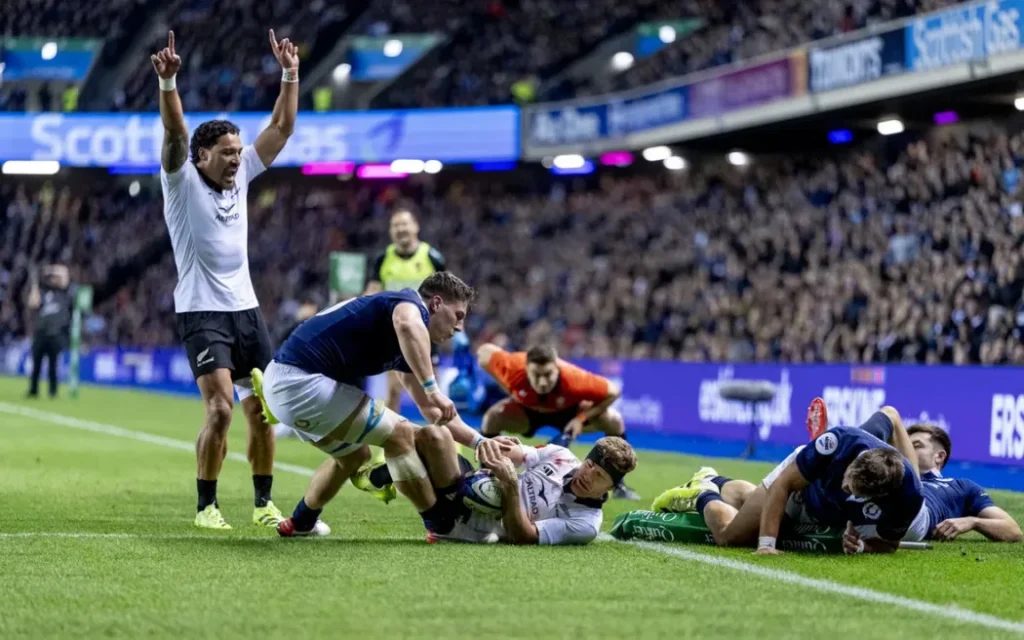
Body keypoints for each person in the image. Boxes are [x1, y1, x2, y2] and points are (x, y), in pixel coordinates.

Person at [152, 29, 299, 529]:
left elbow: (281, 127)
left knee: (263, 411)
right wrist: (169, 85)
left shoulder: (241, 178)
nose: (238, 158)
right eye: (229, 152)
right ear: (203, 157)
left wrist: (289, 73)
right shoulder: (181, 182)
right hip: (201, 312)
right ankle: (206, 507)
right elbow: (174, 135)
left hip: (246, 311)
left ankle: (263, 504)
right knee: (220, 411)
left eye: (239, 151)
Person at [254, 272, 514, 538]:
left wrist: (480, 442)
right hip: (302, 381)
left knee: (354, 457)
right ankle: (443, 525)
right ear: (436, 304)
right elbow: (407, 324)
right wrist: (433, 389)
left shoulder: (407, 344)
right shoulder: (408, 305)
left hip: (286, 387)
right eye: (458, 315)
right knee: (400, 435)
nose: (459, 328)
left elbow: (435, 411)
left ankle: (301, 522)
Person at [653, 400, 924, 554]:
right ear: (857, 459)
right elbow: (783, 484)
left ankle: (719, 482)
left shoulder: (909, 497)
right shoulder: (839, 441)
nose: (844, 486)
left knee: (760, 506)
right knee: (731, 536)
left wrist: (863, 545)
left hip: (827, 507)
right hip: (798, 483)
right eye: (846, 478)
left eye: (851, 489)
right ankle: (703, 491)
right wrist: (767, 544)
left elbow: (889, 544)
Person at [360, 427, 637, 545]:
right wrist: (500, 448)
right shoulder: (562, 455)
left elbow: (523, 537)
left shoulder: (586, 523)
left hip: (465, 526)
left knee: (419, 456)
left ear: (610, 488)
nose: (588, 475)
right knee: (435, 434)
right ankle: (400, 471)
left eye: (599, 475)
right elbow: (517, 455)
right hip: (473, 485)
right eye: (590, 465)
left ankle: (393, 474)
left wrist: (510, 484)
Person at [476, 342, 640, 500]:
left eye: (548, 374)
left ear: (557, 368)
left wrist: (581, 419)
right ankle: (485, 476)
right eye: (536, 375)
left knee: (613, 420)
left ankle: (619, 486)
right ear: (526, 370)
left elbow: (613, 391)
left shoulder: (574, 378)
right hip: (527, 412)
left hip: (568, 413)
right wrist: (506, 384)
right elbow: (484, 351)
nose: (542, 382)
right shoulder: (513, 367)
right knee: (492, 417)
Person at [364, 208, 447, 414]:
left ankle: (447, 440)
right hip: (394, 332)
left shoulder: (432, 257)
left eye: (405, 224)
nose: (401, 229)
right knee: (393, 390)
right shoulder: (383, 259)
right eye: (396, 225)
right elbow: (372, 292)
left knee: (433, 390)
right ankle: (392, 443)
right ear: (391, 231)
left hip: (426, 332)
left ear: (415, 227)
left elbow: (448, 293)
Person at [900, 424, 1021, 543]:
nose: (906, 451)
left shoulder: (961, 487)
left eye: (915, 446)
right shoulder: (891, 474)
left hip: (908, 515)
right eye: (904, 447)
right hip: (887, 498)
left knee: (891, 413)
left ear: (939, 456)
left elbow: (1013, 531)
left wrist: (973, 522)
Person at [25, 264, 72, 398]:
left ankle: (53, 391)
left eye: (55, 278)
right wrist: (34, 286)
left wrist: (49, 269)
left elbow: (64, 274)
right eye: (51, 278)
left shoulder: (64, 293)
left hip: (55, 334)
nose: (53, 280)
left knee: (53, 365)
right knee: (36, 364)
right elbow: (32, 304)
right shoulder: (42, 292)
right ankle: (33, 390)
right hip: (41, 333)